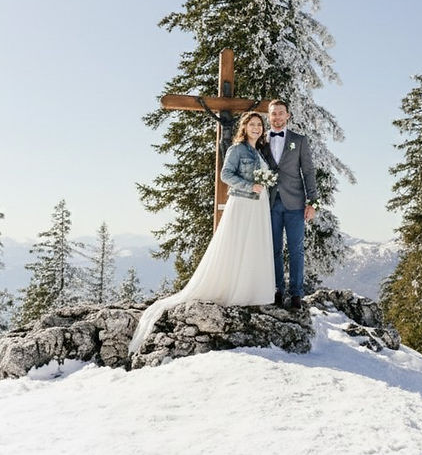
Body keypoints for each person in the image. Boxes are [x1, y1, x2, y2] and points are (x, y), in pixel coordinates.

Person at [128, 112, 275, 353]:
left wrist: (264, 184)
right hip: (242, 202)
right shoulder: (237, 150)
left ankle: (253, 289)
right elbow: (225, 175)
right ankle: (235, 289)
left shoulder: (259, 152)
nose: (257, 128)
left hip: (258, 204)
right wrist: (251, 185)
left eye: (260, 125)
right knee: (237, 244)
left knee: (254, 246)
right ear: (245, 127)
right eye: (252, 124)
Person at [259, 99, 318, 310]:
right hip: (270, 203)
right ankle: (277, 290)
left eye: (281, 113)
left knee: (296, 250)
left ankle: (296, 294)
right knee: (273, 249)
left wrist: (312, 202)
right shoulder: (261, 141)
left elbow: (308, 172)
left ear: (288, 116)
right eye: (273, 114)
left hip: (295, 203)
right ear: (269, 116)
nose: (277, 117)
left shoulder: (299, 141)